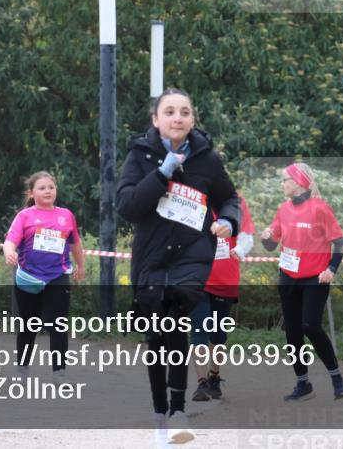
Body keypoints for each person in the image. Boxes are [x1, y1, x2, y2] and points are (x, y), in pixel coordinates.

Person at [117, 88, 242, 444]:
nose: (178, 118)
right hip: (152, 256)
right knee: (157, 334)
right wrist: (162, 173)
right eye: (169, 111)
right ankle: (163, 413)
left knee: (176, 308)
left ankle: (178, 411)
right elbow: (128, 207)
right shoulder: (140, 154)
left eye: (185, 112)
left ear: (192, 119)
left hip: (192, 253)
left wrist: (228, 221)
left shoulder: (207, 158)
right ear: (156, 119)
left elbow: (229, 198)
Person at [261, 163, 343, 401]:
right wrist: (266, 238)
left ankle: (336, 377)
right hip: (288, 277)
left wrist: (331, 269)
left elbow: (340, 243)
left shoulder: (320, 208)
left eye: (285, 179)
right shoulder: (283, 209)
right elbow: (271, 245)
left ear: (299, 182)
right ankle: (303, 384)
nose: (282, 183)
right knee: (292, 331)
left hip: (315, 277)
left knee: (310, 325)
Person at [3, 171, 86, 381]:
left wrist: (81, 266)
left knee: (58, 325)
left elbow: (75, 244)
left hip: (57, 277)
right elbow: (10, 241)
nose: (47, 191)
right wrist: (9, 253)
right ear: (31, 193)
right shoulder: (25, 216)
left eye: (51, 187)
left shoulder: (66, 215)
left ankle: (59, 373)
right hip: (29, 278)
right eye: (42, 188)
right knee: (28, 325)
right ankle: (22, 370)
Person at [190, 195, 255, 401]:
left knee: (218, 334)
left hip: (225, 279)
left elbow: (247, 235)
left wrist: (240, 249)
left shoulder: (236, 202)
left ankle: (214, 376)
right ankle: (201, 383)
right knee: (198, 329)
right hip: (197, 278)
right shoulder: (194, 197)